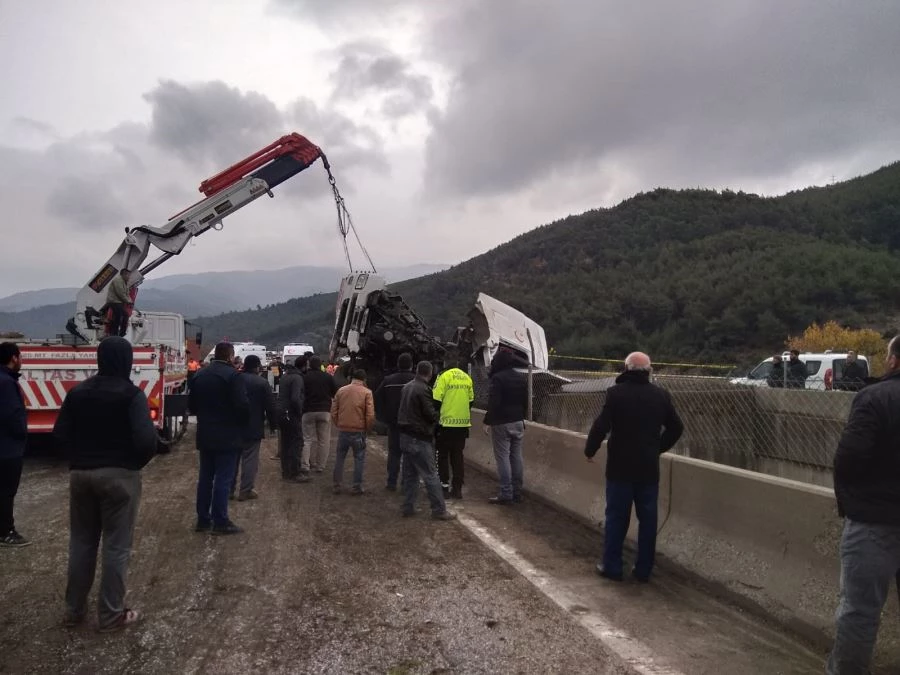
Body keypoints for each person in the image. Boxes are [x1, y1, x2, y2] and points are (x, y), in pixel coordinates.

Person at [53, 337, 157, 630]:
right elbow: (146, 441)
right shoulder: (131, 395)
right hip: (120, 476)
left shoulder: (78, 393)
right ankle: (111, 615)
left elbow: (59, 436)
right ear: (127, 361)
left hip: (80, 475)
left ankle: (73, 611)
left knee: (81, 542)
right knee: (116, 547)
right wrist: (132, 465)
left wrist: (78, 459)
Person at [826, 336, 900, 674]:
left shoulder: (876, 397)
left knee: (860, 611)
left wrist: (853, 504)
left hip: (875, 521)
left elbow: (848, 460)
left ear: (894, 361)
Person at [584, 351, 684, 583]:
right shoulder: (661, 395)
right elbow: (676, 428)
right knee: (648, 520)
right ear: (648, 370)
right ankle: (643, 570)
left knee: (617, 517)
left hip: (620, 468)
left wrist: (590, 450)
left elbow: (601, 426)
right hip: (648, 469)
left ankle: (612, 567)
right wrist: (657, 448)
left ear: (625, 369)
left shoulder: (615, 394)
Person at [189, 342, 250, 535]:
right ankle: (221, 520)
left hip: (205, 433)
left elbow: (192, 405)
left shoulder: (199, 375)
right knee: (223, 478)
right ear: (231, 356)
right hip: (228, 434)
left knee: (205, 477)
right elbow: (242, 406)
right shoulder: (233, 376)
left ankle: (203, 519)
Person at [397, 361, 456, 520]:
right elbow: (429, 414)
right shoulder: (423, 390)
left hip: (405, 436)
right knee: (430, 475)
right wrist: (439, 418)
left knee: (410, 475)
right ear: (430, 373)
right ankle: (439, 510)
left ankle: (408, 507)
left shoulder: (407, 386)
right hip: (419, 438)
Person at [483, 350, 529, 505]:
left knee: (503, 458)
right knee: (516, 457)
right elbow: (525, 402)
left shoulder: (498, 378)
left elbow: (494, 403)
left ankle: (505, 493)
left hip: (502, 422)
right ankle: (517, 492)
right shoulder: (521, 378)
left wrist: (487, 421)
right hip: (518, 421)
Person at [232, 355, 277, 501]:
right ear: (257, 367)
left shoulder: (235, 379)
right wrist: (273, 425)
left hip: (235, 425)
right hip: (254, 426)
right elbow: (270, 406)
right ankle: (245, 490)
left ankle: (228, 490)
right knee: (250, 459)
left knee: (232, 459)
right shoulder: (262, 383)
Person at [0, 342, 29, 547]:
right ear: (13, 358)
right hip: (7, 449)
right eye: (20, 357)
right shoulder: (7, 384)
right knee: (6, 491)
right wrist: (22, 432)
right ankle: (6, 532)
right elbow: (13, 415)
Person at [433, 359, 475, 499]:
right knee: (458, 457)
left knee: (442, 456)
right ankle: (457, 489)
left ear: (445, 363)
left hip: (445, 425)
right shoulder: (466, 378)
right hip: (462, 425)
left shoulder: (443, 376)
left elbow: (436, 400)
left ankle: (444, 487)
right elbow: (471, 401)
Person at [374, 353, 416, 491]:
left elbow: (377, 399)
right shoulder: (416, 381)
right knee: (408, 455)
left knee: (394, 454)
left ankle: (391, 482)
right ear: (411, 365)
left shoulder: (388, 381)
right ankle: (405, 484)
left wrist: (383, 418)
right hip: (411, 426)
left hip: (393, 424)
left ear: (398, 364)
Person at [330, 369, 375, 495]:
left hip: (343, 429)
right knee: (359, 458)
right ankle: (357, 486)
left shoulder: (341, 391)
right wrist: (368, 428)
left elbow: (333, 411)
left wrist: (338, 423)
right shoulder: (367, 392)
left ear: (351, 378)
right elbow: (370, 415)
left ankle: (337, 485)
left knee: (340, 457)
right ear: (364, 379)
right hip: (359, 431)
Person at [302, 356, 338, 475]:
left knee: (307, 439)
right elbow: (335, 393)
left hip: (308, 410)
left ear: (309, 365)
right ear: (320, 365)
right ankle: (320, 466)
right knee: (323, 440)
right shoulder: (328, 377)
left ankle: (305, 465)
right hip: (324, 410)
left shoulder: (304, 378)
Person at [278, 356, 307, 482]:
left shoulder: (285, 376)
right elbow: (295, 398)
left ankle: (286, 472)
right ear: (304, 366)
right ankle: (295, 472)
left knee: (285, 443)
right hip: (291, 413)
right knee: (297, 441)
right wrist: (300, 410)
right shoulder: (297, 378)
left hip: (282, 413)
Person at [105, 269, 132, 337]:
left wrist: (130, 300)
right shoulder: (118, 280)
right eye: (128, 275)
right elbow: (120, 293)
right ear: (124, 274)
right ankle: (119, 333)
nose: (129, 277)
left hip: (118, 302)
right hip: (114, 301)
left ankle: (115, 332)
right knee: (123, 315)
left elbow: (127, 293)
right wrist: (128, 301)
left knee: (118, 316)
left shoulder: (124, 282)